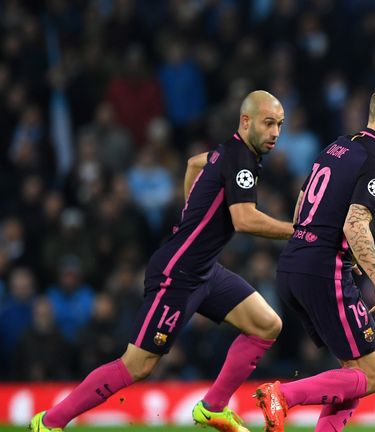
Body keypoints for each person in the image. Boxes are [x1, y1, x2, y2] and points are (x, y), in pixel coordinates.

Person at [30, 90, 295, 432]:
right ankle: (50, 422)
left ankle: (213, 408)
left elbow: (193, 164)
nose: (276, 132)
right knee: (137, 365)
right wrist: (299, 230)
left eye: (280, 125)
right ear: (245, 122)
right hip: (178, 274)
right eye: (269, 123)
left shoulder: (230, 153)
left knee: (267, 325)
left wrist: (190, 216)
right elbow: (244, 219)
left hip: (204, 270)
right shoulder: (240, 159)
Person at [254, 82, 375, 432]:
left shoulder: (337, 147)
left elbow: (302, 207)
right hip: (323, 271)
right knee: (371, 376)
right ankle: (283, 395)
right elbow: (355, 223)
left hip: (292, 264)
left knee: (352, 372)